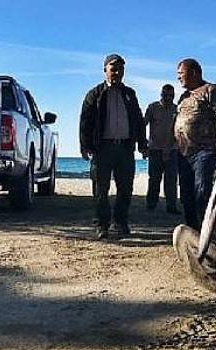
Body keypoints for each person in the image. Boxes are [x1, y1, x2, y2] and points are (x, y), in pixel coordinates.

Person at [79, 54, 148, 239]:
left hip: (125, 148)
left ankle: (120, 222)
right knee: (100, 189)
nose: (117, 72)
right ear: (105, 70)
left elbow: (138, 120)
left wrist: (142, 143)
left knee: (125, 188)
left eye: (120, 69)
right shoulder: (95, 94)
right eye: (113, 68)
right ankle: (102, 225)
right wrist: (85, 145)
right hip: (102, 149)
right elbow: (85, 120)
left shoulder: (129, 94)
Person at [174, 58, 216, 230]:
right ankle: (193, 230)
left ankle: (207, 230)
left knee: (202, 192)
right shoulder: (184, 97)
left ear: (193, 73)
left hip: (204, 152)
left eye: (181, 74)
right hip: (183, 154)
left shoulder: (211, 90)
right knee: (186, 195)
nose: (178, 78)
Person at [145, 84, 180, 214]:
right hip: (155, 150)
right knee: (154, 179)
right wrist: (143, 144)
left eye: (171, 96)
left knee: (171, 180)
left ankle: (171, 206)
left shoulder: (177, 110)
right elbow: (143, 124)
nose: (168, 98)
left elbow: (179, 130)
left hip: (172, 150)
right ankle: (151, 204)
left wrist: (171, 147)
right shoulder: (153, 108)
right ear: (161, 94)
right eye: (165, 95)